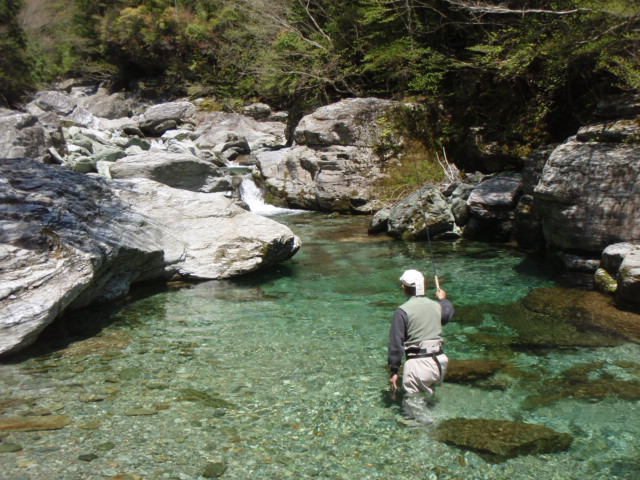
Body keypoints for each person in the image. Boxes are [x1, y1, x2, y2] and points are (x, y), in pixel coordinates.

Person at [387, 269, 454, 424]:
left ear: (404, 288)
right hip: (440, 362)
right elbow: (448, 314)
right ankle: (435, 423)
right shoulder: (437, 306)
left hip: (419, 365)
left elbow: (396, 344)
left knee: (412, 408)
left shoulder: (402, 311)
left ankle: (429, 432)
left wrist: (394, 370)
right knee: (428, 400)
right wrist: (443, 299)